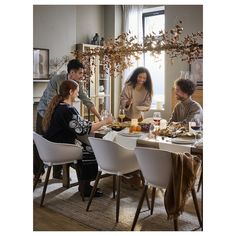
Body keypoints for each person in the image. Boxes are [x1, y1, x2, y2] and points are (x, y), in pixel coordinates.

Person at [42, 80, 113, 197]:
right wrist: (105, 121)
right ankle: (86, 187)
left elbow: (76, 124)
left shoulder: (57, 107)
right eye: (77, 92)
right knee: (90, 149)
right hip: (61, 149)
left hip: (50, 148)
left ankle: (84, 184)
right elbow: (83, 129)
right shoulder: (68, 110)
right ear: (71, 92)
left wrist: (88, 123)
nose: (77, 94)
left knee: (86, 146)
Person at [34, 59, 102, 180]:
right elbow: (51, 101)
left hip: (59, 114)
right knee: (41, 143)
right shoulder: (57, 80)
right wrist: (64, 116)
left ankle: (57, 173)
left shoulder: (78, 84)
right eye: (80, 73)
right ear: (71, 72)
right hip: (45, 112)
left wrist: (99, 117)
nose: (82, 76)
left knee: (61, 138)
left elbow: (87, 101)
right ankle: (37, 173)